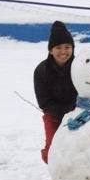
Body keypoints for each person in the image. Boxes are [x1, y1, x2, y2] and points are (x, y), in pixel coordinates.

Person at [34, 21, 77, 165]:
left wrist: (74, 111)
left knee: (79, 148)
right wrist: (63, 112)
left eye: (67, 47)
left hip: (79, 114)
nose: (63, 52)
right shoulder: (41, 70)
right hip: (54, 115)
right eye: (58, 47)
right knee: (52, 151)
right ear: (51, 50)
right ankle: (59, 177)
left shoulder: (80, 67)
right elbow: (44, 102)